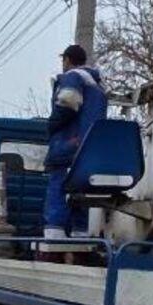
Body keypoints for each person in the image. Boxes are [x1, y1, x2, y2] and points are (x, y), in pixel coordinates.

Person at [42, 43, 106, 240]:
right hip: (91, 148)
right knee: (82, 192)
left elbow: (68, 103)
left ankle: (54, 233)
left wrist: (51, 125)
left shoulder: (74, 77)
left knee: (59, 188)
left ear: (67, 60)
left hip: (69, 145)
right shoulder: (98, 87)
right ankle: (80, 233)